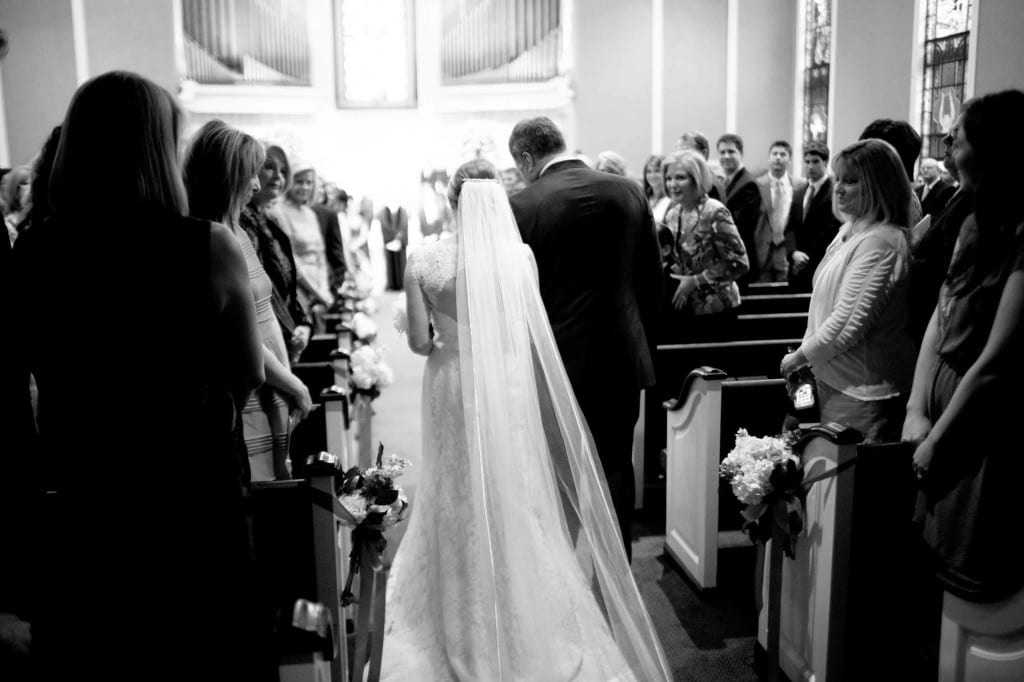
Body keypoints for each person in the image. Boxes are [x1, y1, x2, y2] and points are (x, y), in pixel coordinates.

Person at [2, 70, 275, 680]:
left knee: (108, 652)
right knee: (201, 649)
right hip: (190, 488)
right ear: (158, 149)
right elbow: (248, 372)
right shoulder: (205, 245)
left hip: (88, 490)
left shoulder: (36, 250)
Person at [381, 159, 671, 681]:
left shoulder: (424, 260)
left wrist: (426, 327)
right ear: (496, 200)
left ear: (452, 202)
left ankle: (461, 601)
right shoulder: (521, 257)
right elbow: (523, 329)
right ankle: (522, 595)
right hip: (507, 382)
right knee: (514, 486)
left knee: (456, 486)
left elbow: (422, 343)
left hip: (450, 385)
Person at [507, 116, 662, 560]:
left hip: (558, 363)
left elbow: (517, 296)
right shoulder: (630, 189)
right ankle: (619, 578)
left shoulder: (523, 204)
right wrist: (641, 344)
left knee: (560, 471)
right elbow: (652, 282)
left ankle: (566, 577)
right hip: (622, 359)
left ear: (526, 157)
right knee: (616, 464)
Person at [903, 89, 1024, 603]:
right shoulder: (973, 221)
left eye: (961, 141)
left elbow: (997, 361)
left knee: (966, 583)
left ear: (995, 149)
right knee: (923, 566)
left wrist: (938, 440)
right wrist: (915, 408)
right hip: (940, 401)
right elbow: (941, 315)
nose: (951, 154)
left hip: (980, 419)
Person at [183, 120, 313, 481]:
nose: (257, 184)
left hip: (273, 382)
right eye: (249, 174)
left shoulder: (238, 231)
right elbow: (243, 338)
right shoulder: (215, 239)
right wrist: (294, 385)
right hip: (252, 389)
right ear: (224, 177)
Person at [780, 138, 916, 443]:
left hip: (861, 388)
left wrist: (799, 357)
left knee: (844, 482)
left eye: (851, 181)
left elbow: (847, 324)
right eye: (838, 178)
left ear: (880, 185)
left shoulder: (882, 240)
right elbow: (822, 306)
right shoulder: (851, 230)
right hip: (831, 378)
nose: (838, 188)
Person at [661, 149, 749, 341]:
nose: (672, 184)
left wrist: (696, 280)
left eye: (680, 178)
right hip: (684, 308)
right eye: (669, 178)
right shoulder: (673, 214)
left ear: (696, 179)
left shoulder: (715, 212)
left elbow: (740, 263)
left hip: (717, 309)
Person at [240, 144, 314, 364]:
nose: (278, 176)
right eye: (269, 167)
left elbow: (287, 283)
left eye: (283, 171)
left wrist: (303, 324)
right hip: (267, 337)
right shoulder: (244, 221)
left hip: (285, 330)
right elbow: (262, 291)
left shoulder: (267, 220)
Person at [275, 158, 334, 332]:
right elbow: (290, 259)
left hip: (320, 290)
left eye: (309, 182)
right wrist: (317, 292)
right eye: (299, 182)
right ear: (289, 182)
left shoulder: (310, 213)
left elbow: (321, 255)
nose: (305, 187)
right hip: (298, 291)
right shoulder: (279, 213)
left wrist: (324, 288)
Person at [785, 140, 842, 292]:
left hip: (819, 265)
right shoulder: (799, 192)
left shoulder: (834, 193)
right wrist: (793, 253)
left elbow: (829, 232)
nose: (810, 166)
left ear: (825, 162)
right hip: (796, 267)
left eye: (815, 162)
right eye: (807, 162)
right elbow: (790, 227)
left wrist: (805, 258)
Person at [717, 133, 763, 282]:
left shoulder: (748, 184)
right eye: (722, 152)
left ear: (740, 154)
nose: (726, 156)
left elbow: (741, 226)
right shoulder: (726, 182)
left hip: (741, 259)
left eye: (731, 151)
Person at [642, 153, 671, 226]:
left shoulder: (671, 200)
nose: (652, 175)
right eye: (649, 171)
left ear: (666, 173)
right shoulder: (642, 197)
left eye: (657, 171)